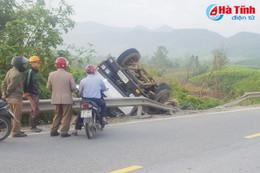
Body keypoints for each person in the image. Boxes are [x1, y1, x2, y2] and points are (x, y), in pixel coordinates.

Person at [72, 65, 108, 136]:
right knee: (103, 105)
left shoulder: (83, 81)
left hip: (86, 100)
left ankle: (75, 130)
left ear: (86, 72)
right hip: (96, 100)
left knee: (81, 113)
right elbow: (104, 88)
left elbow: (80, 91)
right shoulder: (99, 80)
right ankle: (103, 119)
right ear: (94, 71)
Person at [47, 57, 76, 137]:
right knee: (66, 116)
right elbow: (73, 87)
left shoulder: (51, 74)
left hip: (55, 98)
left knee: (57, 115)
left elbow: (49, 87)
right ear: (65, 65)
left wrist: (54, 92)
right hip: (67, 99)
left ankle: (53, 131)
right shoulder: (69, 75)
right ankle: (64, 132)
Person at [1, 56, 28, 137]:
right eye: (23, 64)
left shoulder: (10, 71)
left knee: (13, 116)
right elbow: (12, 86)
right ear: (18, 64)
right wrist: (6, 93)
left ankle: (16, 130)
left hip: (10, 99)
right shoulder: (17, 74)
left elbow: (4, 83)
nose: (24, 66)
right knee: (17, 116)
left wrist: (3, 92)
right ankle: (16, 132)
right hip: (16, 98)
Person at [23, 56, 42, 132]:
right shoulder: (30, 71)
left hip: (35, 93)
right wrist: (25, 92)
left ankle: (32, 126)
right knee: (36, 111)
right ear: (33, 63)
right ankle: (33, 127)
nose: (39, 65)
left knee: (33, 110)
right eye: (38, 63)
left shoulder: (34, 72)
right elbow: (25, 83)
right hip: (31, 94)